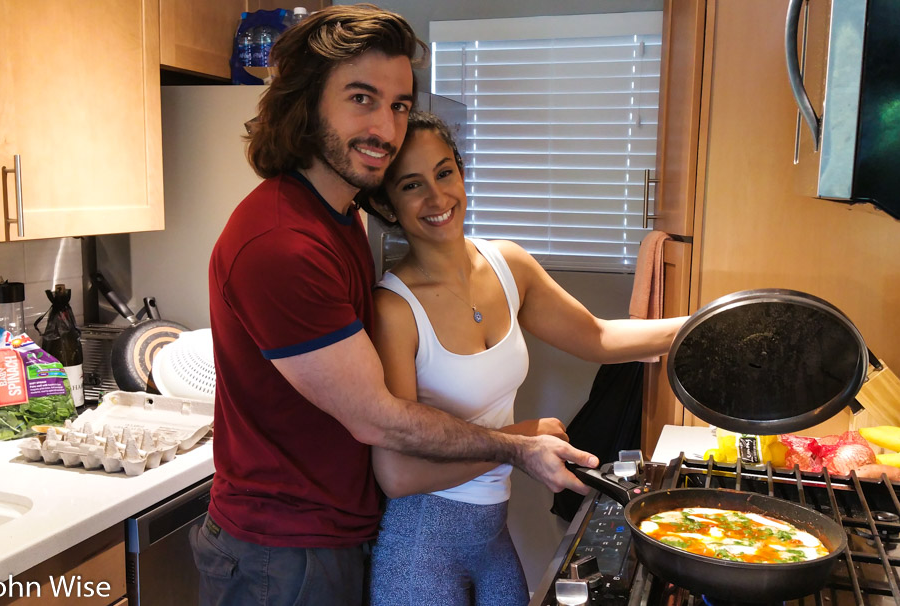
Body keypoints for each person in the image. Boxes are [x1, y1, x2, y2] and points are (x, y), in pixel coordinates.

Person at [192, 5, 598, 606]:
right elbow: (377, 417)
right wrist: (518, 446)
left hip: (335, 531)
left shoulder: (340, 215)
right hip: (282, 554)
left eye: (400, 104)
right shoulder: (281, 243)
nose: (387, 128)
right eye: (362, 98)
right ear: (307, 104)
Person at [363, 112, 687, 605]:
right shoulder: (394, 309)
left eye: (445, 172)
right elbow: (399, 475)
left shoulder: (507, 264)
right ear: (389, 204)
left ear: (462, 172)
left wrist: (710, 326)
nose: (437, 198)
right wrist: (520, 439)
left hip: (492, 530)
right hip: (421, 545)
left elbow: (597, 336)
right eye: (412, 185)